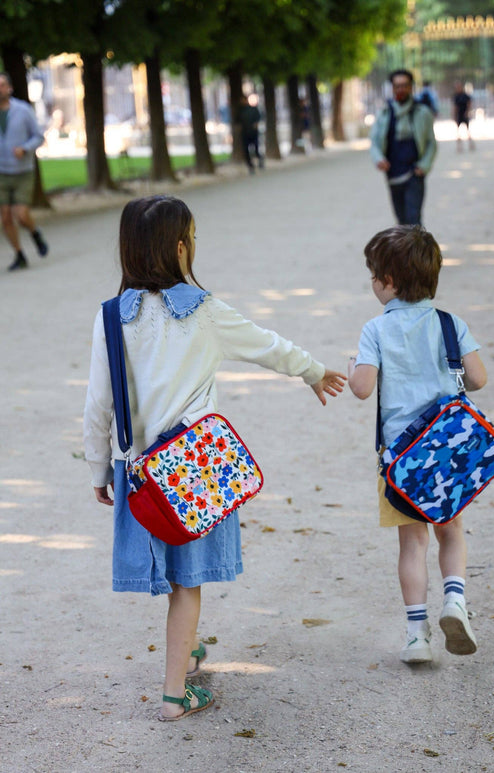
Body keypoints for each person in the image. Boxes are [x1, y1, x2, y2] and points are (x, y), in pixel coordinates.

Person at [83, 195, 346, 720]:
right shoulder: (203, 311)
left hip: (140, 475)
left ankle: (186, 652)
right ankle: (175, 695)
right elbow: (267, 345)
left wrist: (97, 465)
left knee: (172, 573)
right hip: (196, 471)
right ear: (182, 248)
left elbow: (98, 403)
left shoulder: (112, 317)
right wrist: (313, 370)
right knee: (188, 584)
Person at [348, 225, 487, 664]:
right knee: (451, 532)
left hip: (402, 462)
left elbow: (362, 388)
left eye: (374, 275)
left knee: (412, 545)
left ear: (388, 282)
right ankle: (456, 601)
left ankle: (416, 636)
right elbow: (479, 378)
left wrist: (354, 366)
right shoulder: (450, 324)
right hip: (448, 454)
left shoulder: (376, 329)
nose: (372, 283)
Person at [370, 69, 437, 227]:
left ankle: (418, 252)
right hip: (393, 173)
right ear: (392, 88)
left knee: (414, 220)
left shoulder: (423, 113)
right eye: (397, 86)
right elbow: (374, 141)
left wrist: (424, 165)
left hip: (414, 173)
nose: (401, 89)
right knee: (401, 221)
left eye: (404, 85)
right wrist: (379, 159)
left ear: (411, 87)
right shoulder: (384, 113)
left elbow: (431, 143)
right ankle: (405, 252)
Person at [0, 72, 48, 271]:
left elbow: (39, 137)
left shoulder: (23, 110)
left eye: (2, 84)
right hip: (1, 172)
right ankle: (19, 254)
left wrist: (25, 148)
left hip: (22, 171)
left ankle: (35, 232)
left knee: (20, 214)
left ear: (9, 88)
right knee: (5, 217)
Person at [238, 94, 263, 174]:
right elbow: (238, 122)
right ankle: (250, 166)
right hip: (245, 133)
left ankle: (260, 159)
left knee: (255, 148)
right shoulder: (240, 111)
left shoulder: (253, 109)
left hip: (253, 132)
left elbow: (258, 118)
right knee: (246, 151)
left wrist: (255, 125)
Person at [453, 81, 475, 151]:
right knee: (458, 132)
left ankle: (471, 145)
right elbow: (455, 107)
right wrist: (454, 115)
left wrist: (467, 112)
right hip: (459, 115)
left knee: (468, 130)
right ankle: (459, 147)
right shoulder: (456, 97)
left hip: (464, 114)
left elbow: (469, 104)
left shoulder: (465, 96)